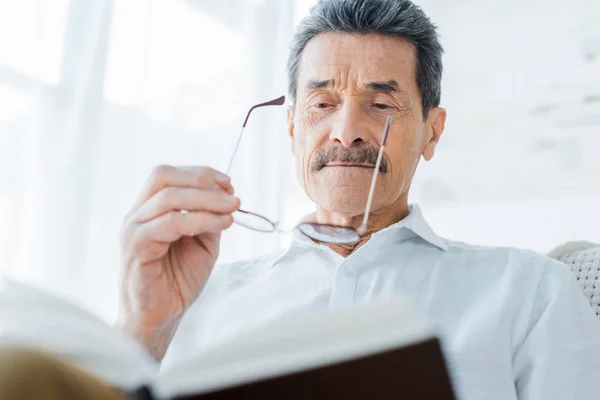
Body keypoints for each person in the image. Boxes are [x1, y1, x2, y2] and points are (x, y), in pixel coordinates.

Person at [117, 1, 600, 399]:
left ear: (432, 133)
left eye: (382, 105)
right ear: (291, 130)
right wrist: (144, 331)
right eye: (322, 105)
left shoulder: (531, 290)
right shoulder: (197, 299)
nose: (346, 132)